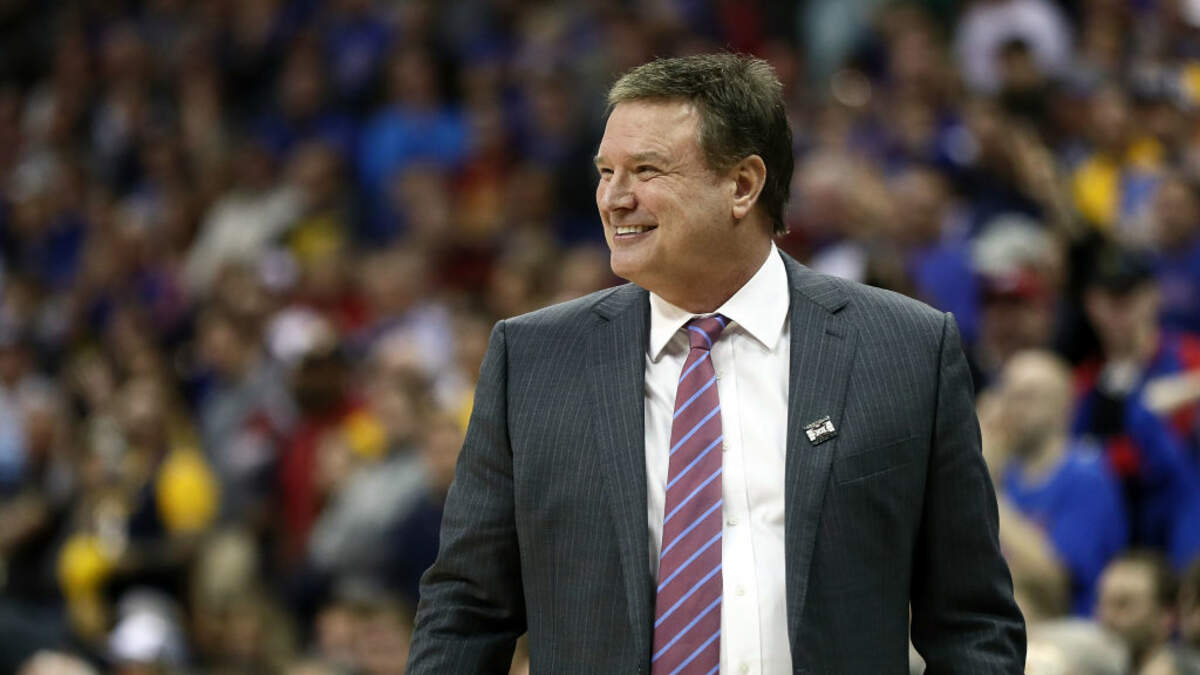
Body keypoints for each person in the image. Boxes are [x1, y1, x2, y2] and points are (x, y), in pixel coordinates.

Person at [406, 54, 1025, 673]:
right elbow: (467, 614)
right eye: (606, 172)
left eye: (646, 170)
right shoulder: (533, 361)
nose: (614, 199)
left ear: (743, 185)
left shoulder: (905, 349)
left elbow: (972, 623)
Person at [983, 350, 1127, 618]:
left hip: (1071, 623)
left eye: (1027, 397)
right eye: (1007, 395)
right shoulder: (1005, 473)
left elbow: (1054, 579)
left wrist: (987, 495)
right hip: (1007, 617)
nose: (1011, 408)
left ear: (1064, 406)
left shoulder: (1087, 476)